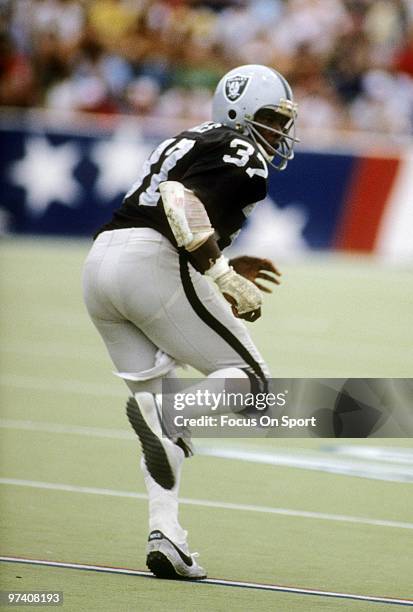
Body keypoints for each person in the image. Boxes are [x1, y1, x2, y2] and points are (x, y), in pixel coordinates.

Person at [82, 64, 298, 580]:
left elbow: (173, 203)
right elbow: (181, 202)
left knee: (163, 426)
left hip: (100, 267)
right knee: (252, 385)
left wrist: (218, 255)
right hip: (152, 263)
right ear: (239, 113)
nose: (279, 131)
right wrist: (219, 271)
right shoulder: (240, 148)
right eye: (270, 117)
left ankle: (166, 535)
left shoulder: (190, 137)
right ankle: (166, 417)